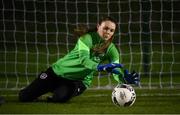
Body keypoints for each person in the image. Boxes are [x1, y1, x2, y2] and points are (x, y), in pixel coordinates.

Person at [19, 16, 140, 103]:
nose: (108, 32)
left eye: (111, 30)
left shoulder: (112, 49)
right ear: (98, 26)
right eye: (105, 28)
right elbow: (84, 61)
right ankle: (46, 86)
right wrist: (100, 67)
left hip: (78, 81)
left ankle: (58, 92)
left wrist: (123, 78)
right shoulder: (85, 39)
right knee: (23, 97)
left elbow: (115, 68)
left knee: (59, 98)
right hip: (57, 72)